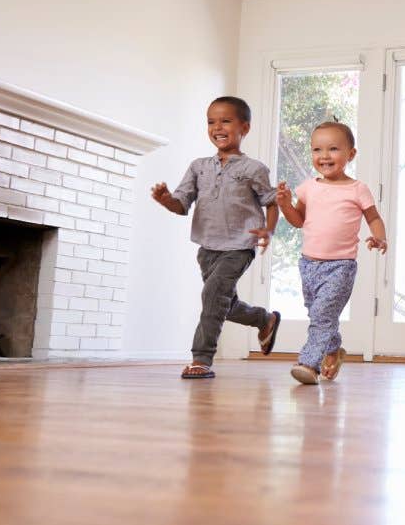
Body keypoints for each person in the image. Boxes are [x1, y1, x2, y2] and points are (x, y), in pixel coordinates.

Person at [151, 96, 282, 380]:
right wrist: (165, 200)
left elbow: (272, 202)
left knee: (212, 295)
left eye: (226, 121)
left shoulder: (253, 169)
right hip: (207, 247)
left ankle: (201, 358)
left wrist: (268, 230)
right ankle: (264, 319)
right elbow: (181, 204)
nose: (217, 127)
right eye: (211, 121)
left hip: (239, 245)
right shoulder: (198, 166)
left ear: (244, 128)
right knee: (223, 302)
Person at [273, 121, 388, 385]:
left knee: (323, 315)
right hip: (308, 265)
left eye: (333, 149)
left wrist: (379, 237)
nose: (324, 156)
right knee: (320, 315)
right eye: (317, 150)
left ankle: (308, 363)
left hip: (341, 266)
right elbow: (298, 220)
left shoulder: (357, 189)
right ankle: (333, 350)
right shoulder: (308, 187)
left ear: (351, 154)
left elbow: (374, 218)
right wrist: (284, 204)